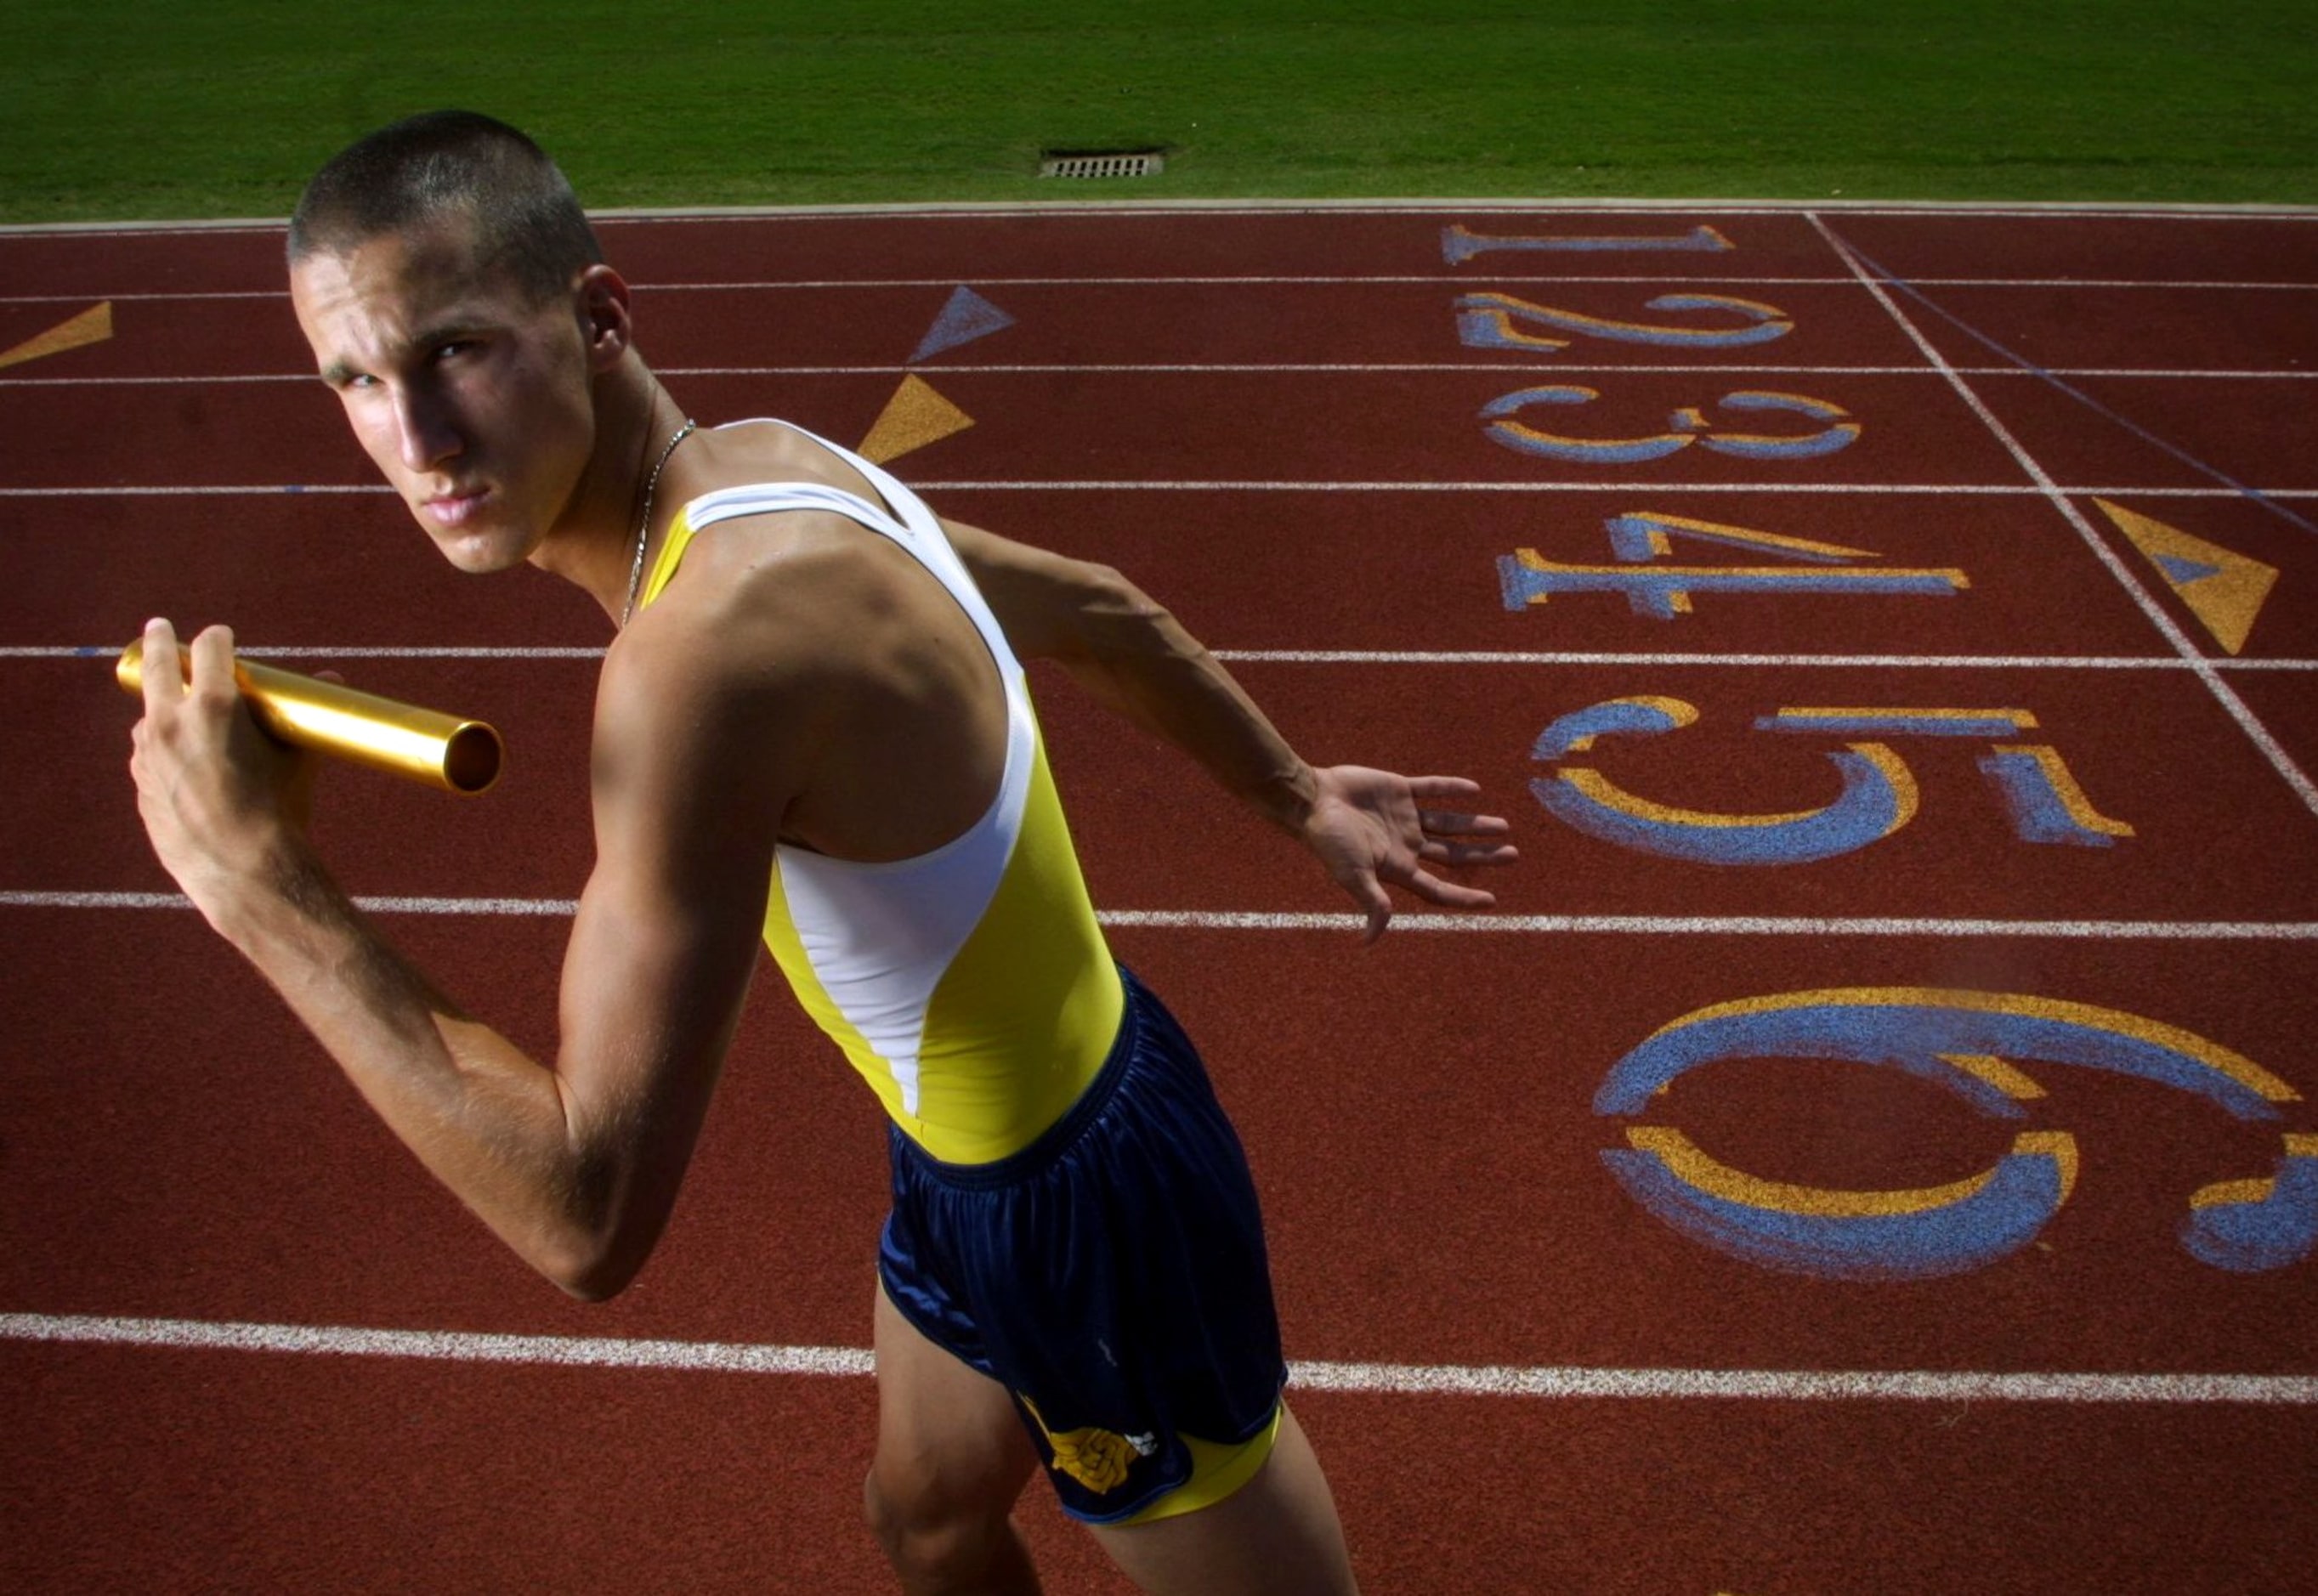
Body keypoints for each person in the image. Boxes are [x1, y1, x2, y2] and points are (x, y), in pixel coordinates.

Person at [128, 110, 1516, 1595]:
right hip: (979, 1152)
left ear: (597, 316)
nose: (415, 440)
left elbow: (586, 1214)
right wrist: (1298, 791)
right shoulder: (769, 469)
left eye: (455, 350)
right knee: (924, 1525)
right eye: (354, 377)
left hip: (1084, 1209)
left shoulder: (704, 656)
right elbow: (1099, 604)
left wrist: (260, 889)